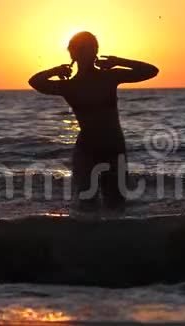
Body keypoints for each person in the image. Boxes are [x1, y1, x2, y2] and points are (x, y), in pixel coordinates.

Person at [29, 31, 159, 211]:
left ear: (96, 51)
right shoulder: (69, 86)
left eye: (92, 48)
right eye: (82, 49)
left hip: (114, 147)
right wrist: (55, 71)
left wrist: (118, 61)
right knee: (86, 204)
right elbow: (35, 82)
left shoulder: (109, 76)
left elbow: (151, 71)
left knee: (116, 203)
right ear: (72, 53)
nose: (88, 52)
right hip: (86, 151)